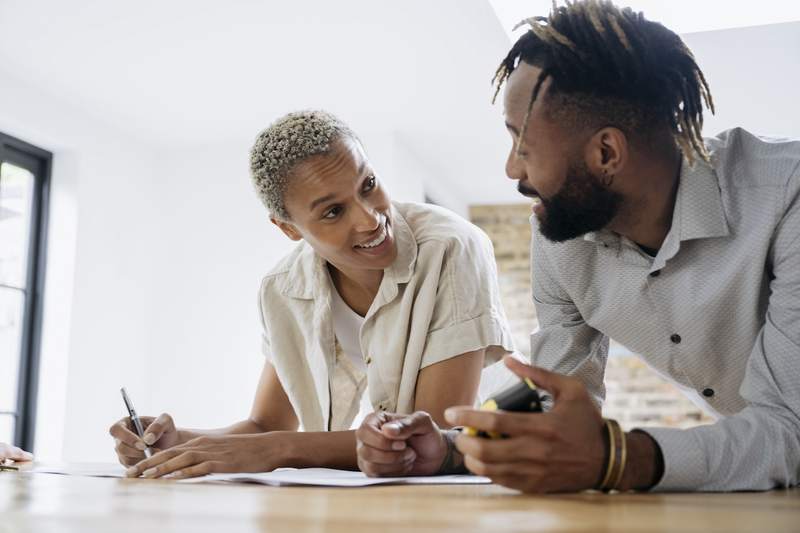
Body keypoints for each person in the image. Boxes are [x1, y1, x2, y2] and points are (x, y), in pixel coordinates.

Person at [356, 0, 800, 492]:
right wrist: (452, 448)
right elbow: (556, 403)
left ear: (606, 152)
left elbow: (789, 429)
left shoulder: (787, 199)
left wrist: (619, 458)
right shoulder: (563, 241)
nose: (512, 171)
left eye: (523, 148)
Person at [111, 110, 514, 479]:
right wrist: (178, 443)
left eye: (368, 185)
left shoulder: (451, 247)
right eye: (333, 212)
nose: (371, 219)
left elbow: (426, 436)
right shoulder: (283, 287)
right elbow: (266, 426)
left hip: (493, 467)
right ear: (288, 229)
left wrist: (277, 450)